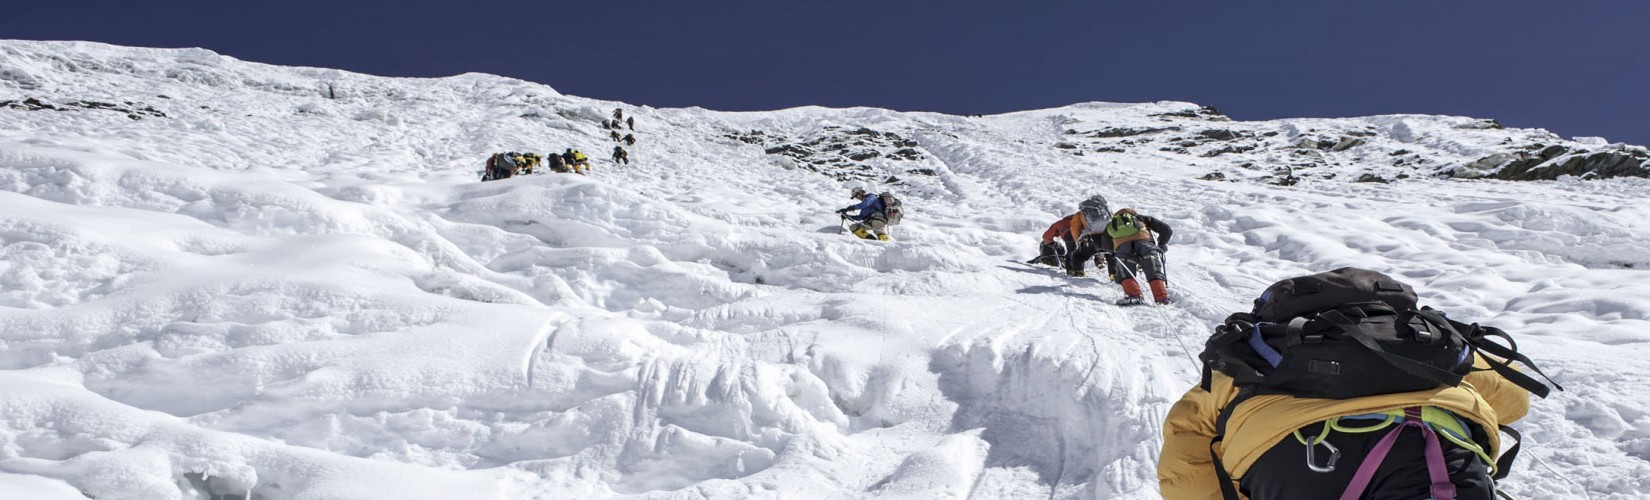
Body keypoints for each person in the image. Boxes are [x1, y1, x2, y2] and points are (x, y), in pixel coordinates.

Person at [1159, 268, 1548, 500]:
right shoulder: (1426, 340)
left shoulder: (1252, 352)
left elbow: (1186, 445)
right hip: (1437, 448)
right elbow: (1514, 402)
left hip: (1291, 461)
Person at [1066, 196, 1173, 305]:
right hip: (1146, 246)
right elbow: (1167, 230)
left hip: (1123, 249)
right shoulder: (1141, 218)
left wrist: (1118, 248)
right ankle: (1162, 298)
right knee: (1154, 271)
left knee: (1126, 273)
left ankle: (1133, 296)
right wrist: (1160, 244)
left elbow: (1107, 245)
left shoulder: (1112, 224)